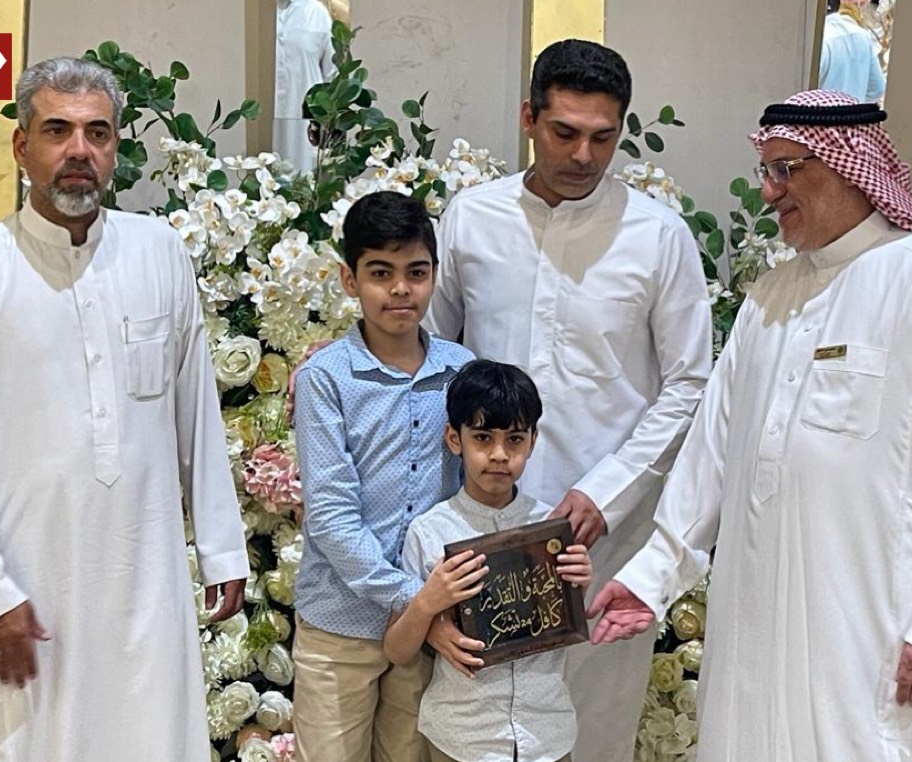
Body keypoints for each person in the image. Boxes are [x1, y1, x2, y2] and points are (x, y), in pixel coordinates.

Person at [589, 90, 912, 761]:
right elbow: (712, 453)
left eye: (787, 170)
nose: (769, 191)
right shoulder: (770, 297)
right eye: (766, 170)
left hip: (878, 629)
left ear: (849, 166)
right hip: (756, 628)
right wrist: (653, 574)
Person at [0, 57, 248, 761]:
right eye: (57, 130)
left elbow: (194, 410)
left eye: (97, 133)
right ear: (21, 145)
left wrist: (221, 545)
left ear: (115, 148)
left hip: (144, 579)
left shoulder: (159, 254)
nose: (78, 150)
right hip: (22, 587)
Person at [424, 38, 712, 762]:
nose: (584, 155)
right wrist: (341, 361)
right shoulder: (471, 217)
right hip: (480, 524)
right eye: (565, 132)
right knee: (480, 722)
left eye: (602, 137)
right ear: (528, 117)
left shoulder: (659, 237)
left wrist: (607, 492)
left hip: (604, 531)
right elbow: (428, 352)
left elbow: (690, 383)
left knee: (595, 725)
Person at [291, 190, 477, 762]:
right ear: (350, 280)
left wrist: (430, 609)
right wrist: (414, 602)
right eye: (380, 273)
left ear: (434, 276)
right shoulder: (327, 378)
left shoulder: (461, 372)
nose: (400, 289)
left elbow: (474, 490)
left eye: (416, 272)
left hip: (428, 630)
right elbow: (331, 515)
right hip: (340, 625)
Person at [384, 359, 592, 762]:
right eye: (482, 438)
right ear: (454, 438)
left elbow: (565, 624)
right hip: (463, 737)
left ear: (532, 441)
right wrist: (427, 603)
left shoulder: (550, 529)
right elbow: (397, 649)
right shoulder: (429, 532)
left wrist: (580, 583)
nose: (499, 455)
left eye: (514, 439)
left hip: (547, 735)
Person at [274, 0, 337, 171]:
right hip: (263, 123)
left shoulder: (316, 13)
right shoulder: (253, 15)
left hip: (306, 126)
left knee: (304, 177)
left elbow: (332, 75)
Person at [819, 0, 886, 102]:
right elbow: (877, 89)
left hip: (820, 109)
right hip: (854, 109)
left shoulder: (823, 35)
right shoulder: (864, 38)